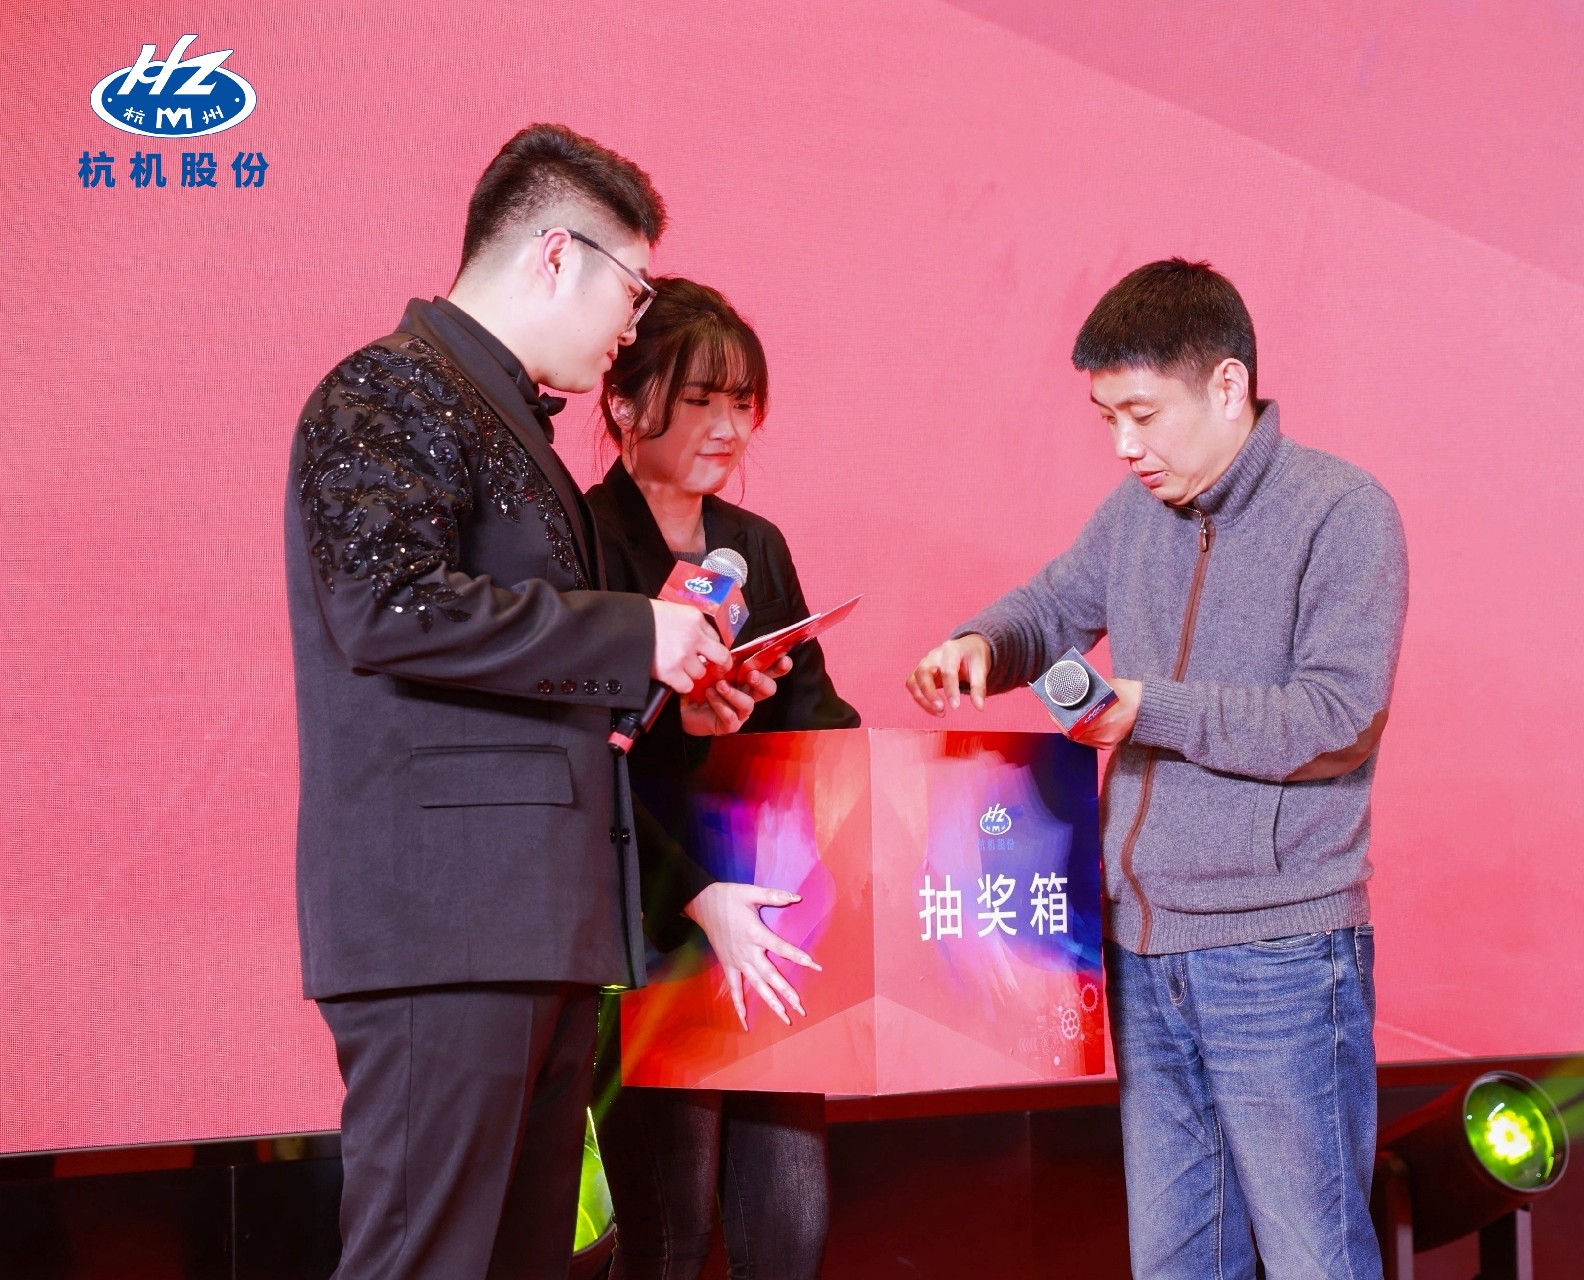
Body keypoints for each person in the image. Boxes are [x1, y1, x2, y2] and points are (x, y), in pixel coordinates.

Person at [283, 124, 783, 1279]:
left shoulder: (507, 419)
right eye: (633, 290)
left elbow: (522, 680)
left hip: (534, 925)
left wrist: (669, 684)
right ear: (558, 254)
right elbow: (385, 604)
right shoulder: (388, 388)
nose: (632, 326)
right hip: (445, 926)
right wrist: (636, 631)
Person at [907, 259, 1407, 1280]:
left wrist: (1151, 708)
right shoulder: (1134, 514)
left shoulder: (1343, 512)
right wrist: (980, 643)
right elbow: (1051, 607)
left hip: (1280, 949)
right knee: (1176, 1264)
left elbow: (1336, 717)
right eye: (1107, 419)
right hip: (1139, 948)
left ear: (1228, 385)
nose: (1124, 446)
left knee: (1317, 1260)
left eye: (1142, 414)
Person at [584, 277, 859, 1280]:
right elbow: (584, 760)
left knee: (791, 1225)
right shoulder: (583, 541)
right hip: (651, 921)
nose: (728, 427)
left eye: (742, 403)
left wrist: (880, 768)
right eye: (699, 400)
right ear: (624, 403)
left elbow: (813, 720)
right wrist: (696, 892)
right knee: (668, 1236)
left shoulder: (756, 547)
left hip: (768, 919)